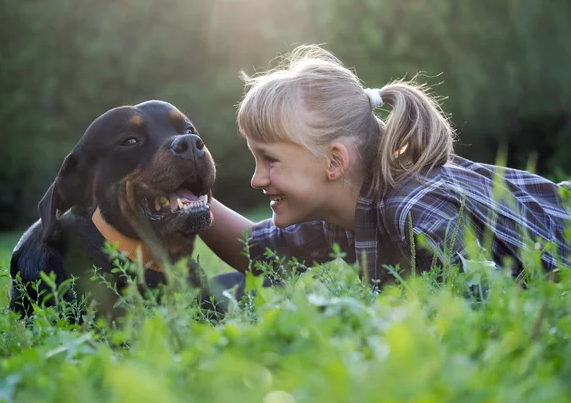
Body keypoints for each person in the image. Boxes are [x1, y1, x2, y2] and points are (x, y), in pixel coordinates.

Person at [201, 44, 571, 290]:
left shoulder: (416, 210)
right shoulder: (343, 212)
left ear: (335, 161)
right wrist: (189, 196)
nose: (256, 179)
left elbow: (492, 307)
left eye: (270, 160)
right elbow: (261, 254)